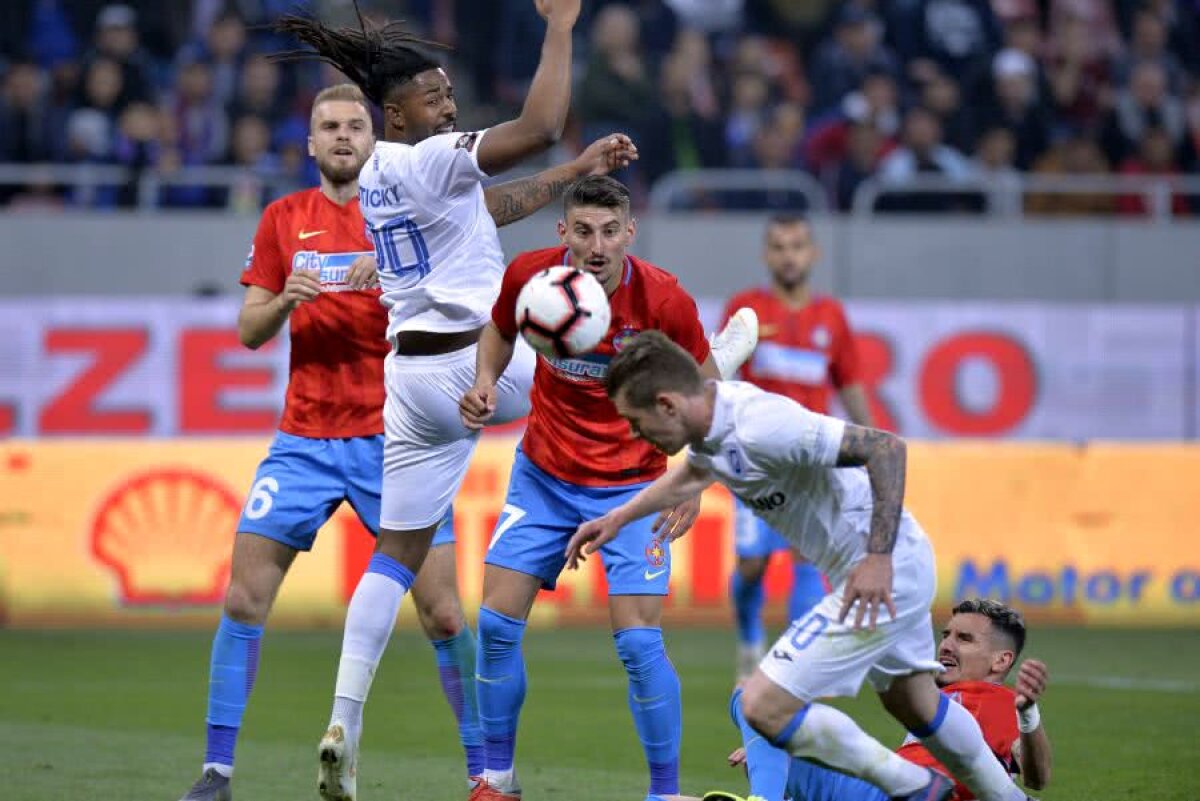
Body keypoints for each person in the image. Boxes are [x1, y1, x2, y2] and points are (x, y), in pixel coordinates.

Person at [270, 5, 742, 800]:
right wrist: (559, 29)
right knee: (565, 323)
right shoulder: (429, 164)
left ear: (626, 230)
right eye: (434, 94)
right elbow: (539, 122)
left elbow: (484, 211)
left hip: (409, 380)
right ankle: (704, 375)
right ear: (397, 112)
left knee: (398, 551)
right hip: (473, 371)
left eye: (451, 90)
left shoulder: (381, 175)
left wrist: (573, 170)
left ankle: (348, 717)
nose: (450, 105)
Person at [177, 77, 640, 801]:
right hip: (308, 433)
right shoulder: (283, 220)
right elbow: (247, 327)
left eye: (352, 126)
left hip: (392, 418)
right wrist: (286, 300)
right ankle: (216, 771)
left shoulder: (402, 193)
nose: (340, 136)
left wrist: (574, 174)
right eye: (327, 126)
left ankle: (470, 765)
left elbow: (494, 204)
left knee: (445, 610)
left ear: (375, 134)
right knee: (242, 597)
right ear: (310, 143)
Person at [566, 331, 1038, 801]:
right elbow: (696, 472)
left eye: (634, 419)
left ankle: (911, 787)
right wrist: (618, 517)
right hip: (895, 562)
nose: (632, 432)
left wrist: (876, 560)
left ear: (667, 405)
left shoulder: (763, 425)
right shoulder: (711, 427)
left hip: (878, 568)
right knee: (915, 704)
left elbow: (884, 448)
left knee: (761, 704)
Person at [457, 175, 759, 801]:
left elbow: (704, 396)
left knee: (639, 643)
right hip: (543, 476)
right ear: (562, 231)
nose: (596, 246)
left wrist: (692, 483)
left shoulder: (663, 300)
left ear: (630, 232)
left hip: (633, 485)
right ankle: (498, 780)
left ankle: (664, 794)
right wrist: (486, 380)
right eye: (583, 231)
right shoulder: (532, 281)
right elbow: (498, 332)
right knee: (493, 624)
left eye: (609, 231)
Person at [668, 598, 1053, 801]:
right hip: (874, 787)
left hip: (897, 792)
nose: (947, 645)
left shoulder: (996, 701)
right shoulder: (932, 698)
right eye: (946, 634)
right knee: (766, 742)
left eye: (964, 639)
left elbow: (1037, 778)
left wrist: (1029, 715)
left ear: (1001, 660)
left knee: (751, 695)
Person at [721, 215, 874, 682]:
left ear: (813, 254)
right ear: (768, 255)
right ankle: (749, 637)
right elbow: (719, 374)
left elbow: (848, 384)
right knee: (752, 565)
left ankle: (790, 666)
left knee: (809, 554)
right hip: (754, 460)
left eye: (798, 246)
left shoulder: (831, 317)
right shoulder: (745, 309)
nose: (789, 255)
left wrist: (871, 444)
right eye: (780, 247)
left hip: (811, 460)